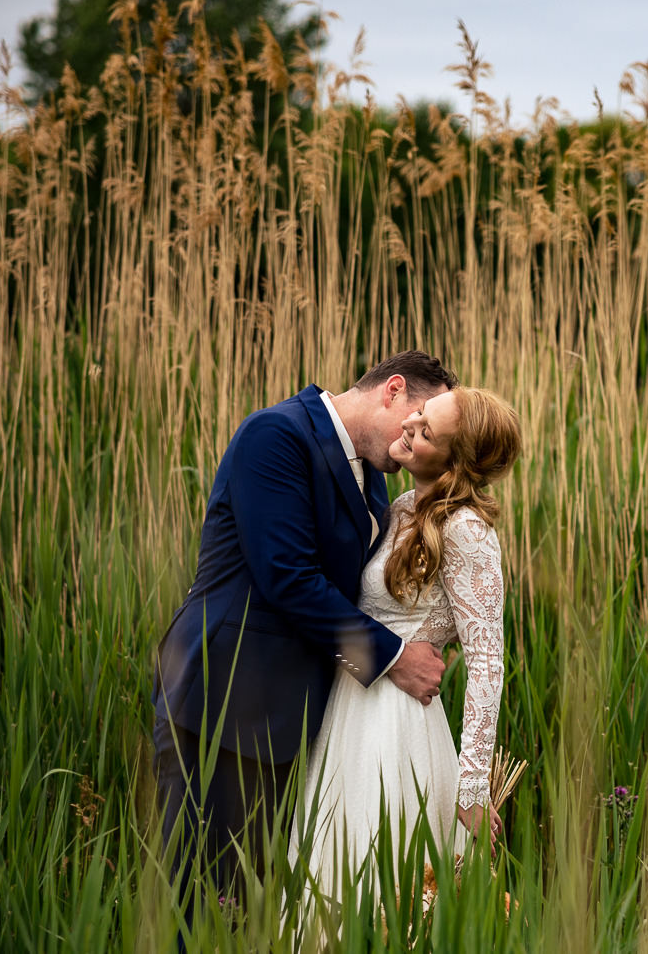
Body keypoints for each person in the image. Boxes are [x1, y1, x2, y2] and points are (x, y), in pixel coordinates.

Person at [151, 351, 457, 902]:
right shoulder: (276, 435)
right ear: (392, 390)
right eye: (418, 420)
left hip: (291, 725)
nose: (417, 439)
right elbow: (288, 578)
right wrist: (393, 657)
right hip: (223, 705)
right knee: (201, 906)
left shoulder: (372, 477)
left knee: (249, 909)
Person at [291, 386, 521, 901]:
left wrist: (473, 786)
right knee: (331, 871)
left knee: (389, 879)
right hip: (347, 711)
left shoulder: (466, 530)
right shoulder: (396, 507)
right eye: (417, 414)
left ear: (456, 460)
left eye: (427, 431)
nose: (411, 426)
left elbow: (486, 660)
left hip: (399, 722)